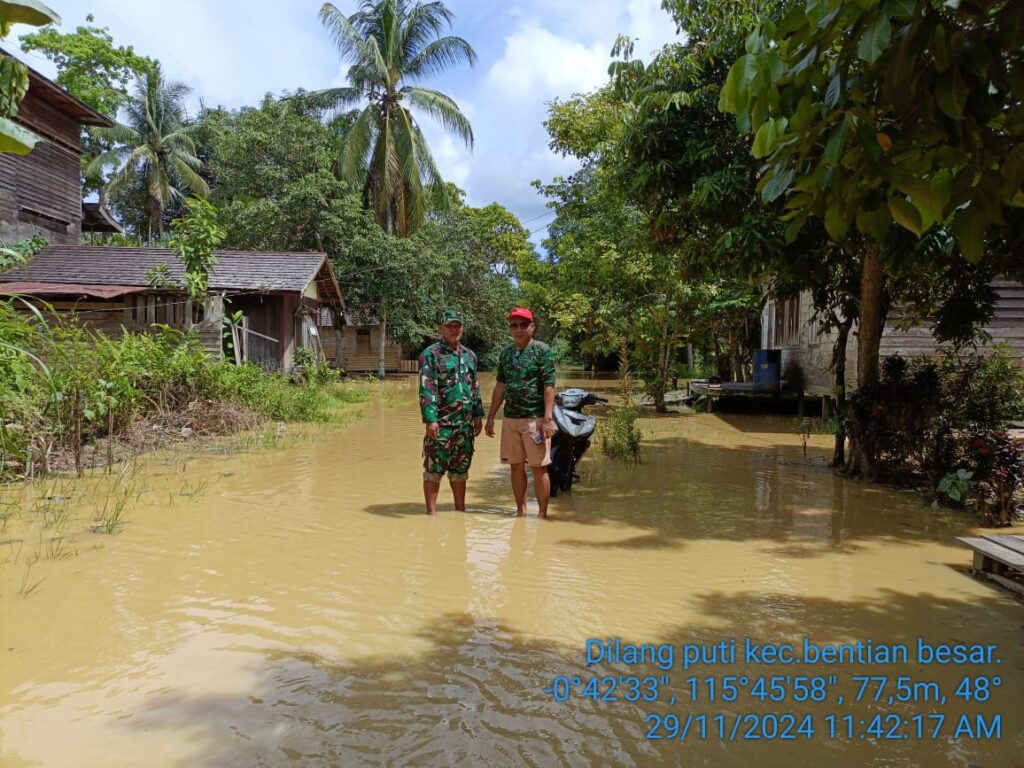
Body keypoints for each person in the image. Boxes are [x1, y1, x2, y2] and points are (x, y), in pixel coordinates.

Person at [485, 307, 557, 518]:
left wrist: (547, 419)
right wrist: (491, 416)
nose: (519, 329)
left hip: (534, 420)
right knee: (515, 467)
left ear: (532, 327)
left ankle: (543, 514)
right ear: (510, 328)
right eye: (514, 325)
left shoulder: (542, 351)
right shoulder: (506, 354)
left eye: (524, 325)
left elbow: (549, 387)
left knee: (539, 468)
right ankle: (521, 512)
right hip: (510, 420)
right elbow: (500, 386)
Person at [418, 309, 484, 515]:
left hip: (464, 426)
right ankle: (431, 514)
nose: (454, 329)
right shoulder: (431, 354)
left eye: (458, 325)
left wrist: (477, 415)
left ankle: (460, 512)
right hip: (442, 424)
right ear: (440, 328)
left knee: (461, 470)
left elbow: (475, 386)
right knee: (433, 469)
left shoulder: (469, 355)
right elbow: (427, 388)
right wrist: (431, 420)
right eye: (449, 326)